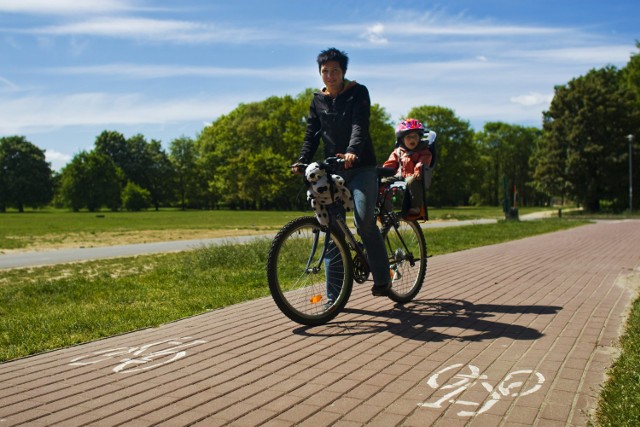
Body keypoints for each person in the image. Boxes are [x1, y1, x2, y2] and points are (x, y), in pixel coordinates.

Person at [294, 47, 392, 297]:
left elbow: (360, 125)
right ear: (320, 73)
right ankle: (333, 297)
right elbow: (311, 135)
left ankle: (382, 279)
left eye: (335, 71)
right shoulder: (318, 99)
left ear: (343, 72)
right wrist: (302, 160)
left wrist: (352, 151)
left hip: (361, 167)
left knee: (363, 221)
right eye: (325, 71)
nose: (330, 75)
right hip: (333, 169)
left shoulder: (358, 92)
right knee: (331, 227)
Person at [383, 119, 433, 217]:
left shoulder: (423, 151)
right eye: (408, 137)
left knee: (411, 180)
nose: (412, 139)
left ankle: (416, 207)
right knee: (382, 181)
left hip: (414, 177)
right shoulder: (398, 152)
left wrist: (418, 169)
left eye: (415, 136)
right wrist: (383, 171)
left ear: (419, 138)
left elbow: (423, 161)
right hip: (399, 176)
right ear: (402, 139)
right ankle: (384, 208)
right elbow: (390, 164)